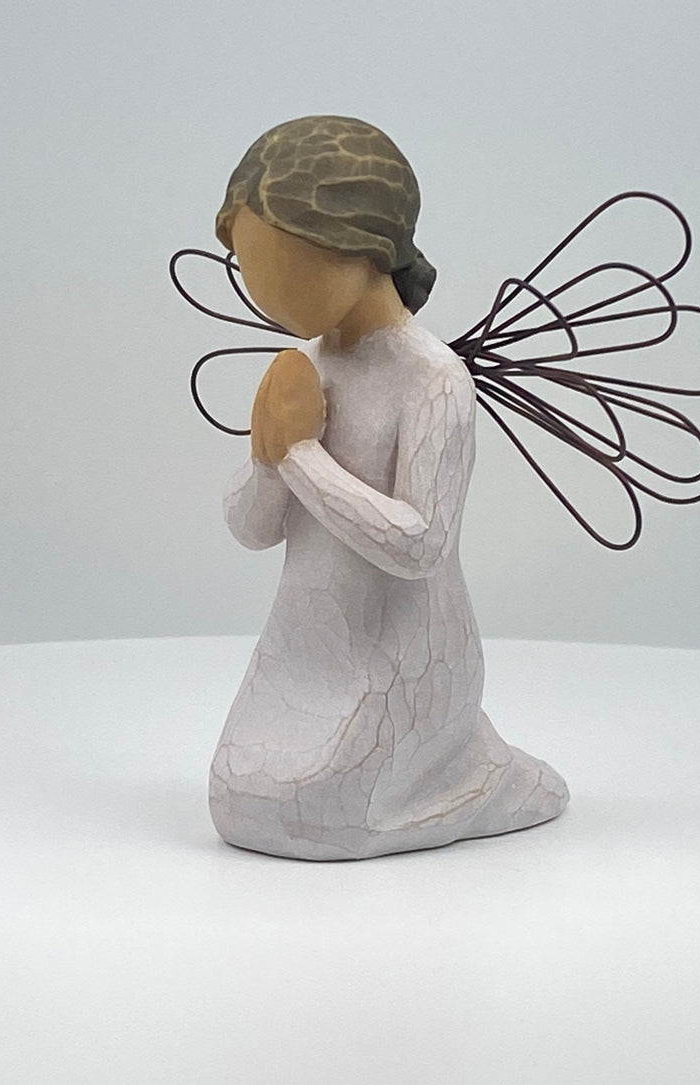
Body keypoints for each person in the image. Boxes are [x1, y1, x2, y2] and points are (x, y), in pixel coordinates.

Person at [206, 114, 569, 860]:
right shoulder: (308, 366)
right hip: (305, 646)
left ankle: (478, 774)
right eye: (249, 271)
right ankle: (447, 774)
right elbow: (251, 528)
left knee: (311, 814)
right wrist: (267, 456)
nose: (265, 299)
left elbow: (419, 543)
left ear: (364, 248)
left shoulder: (433, 379)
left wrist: (299, 455)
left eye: (284, 268)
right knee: (239, 798)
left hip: (404, 649)